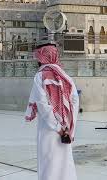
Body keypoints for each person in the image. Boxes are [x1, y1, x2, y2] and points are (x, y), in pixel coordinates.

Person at [25, 44, 79, 180]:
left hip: (49, 130)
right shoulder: (66, 77)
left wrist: (57, 127)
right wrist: (68, 128)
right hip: (65, 131)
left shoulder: (40, 76)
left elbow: (43, 105)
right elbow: (74, 103)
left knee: (48, 165)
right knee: (64, 166)